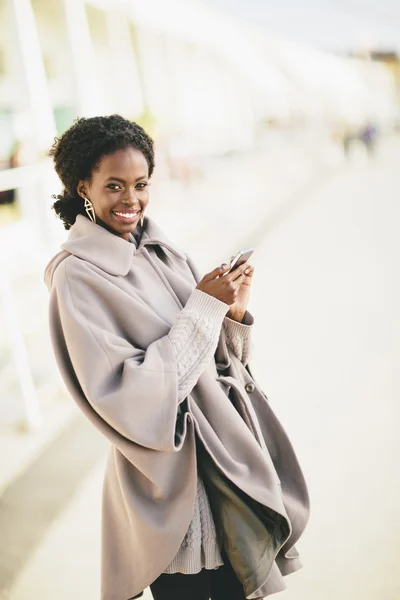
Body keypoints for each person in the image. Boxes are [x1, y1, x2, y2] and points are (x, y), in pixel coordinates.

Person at [44, 114, 310, 600]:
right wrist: (203, 309)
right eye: (115, 185)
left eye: (141, 184)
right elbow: (134, 400)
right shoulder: (77, 279)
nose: (131, 200)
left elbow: (220, 365)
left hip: (223, 470)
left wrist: (231, 312)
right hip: (173, 490)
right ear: (83, 186)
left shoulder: (163, 251)